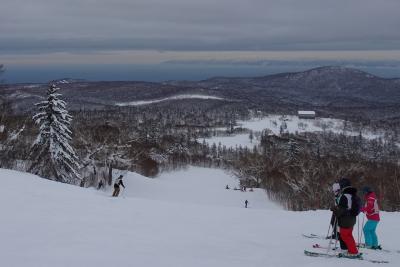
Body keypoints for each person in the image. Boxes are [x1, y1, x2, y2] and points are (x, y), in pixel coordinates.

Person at [331, 178, 360, 257]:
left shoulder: (345, 196)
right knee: (349, 235)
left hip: (345, 220)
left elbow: (341, 210)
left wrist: (334, 209)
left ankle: (353, 252)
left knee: (344, 236)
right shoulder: (352, 195)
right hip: (352, 219)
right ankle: (352, 250)